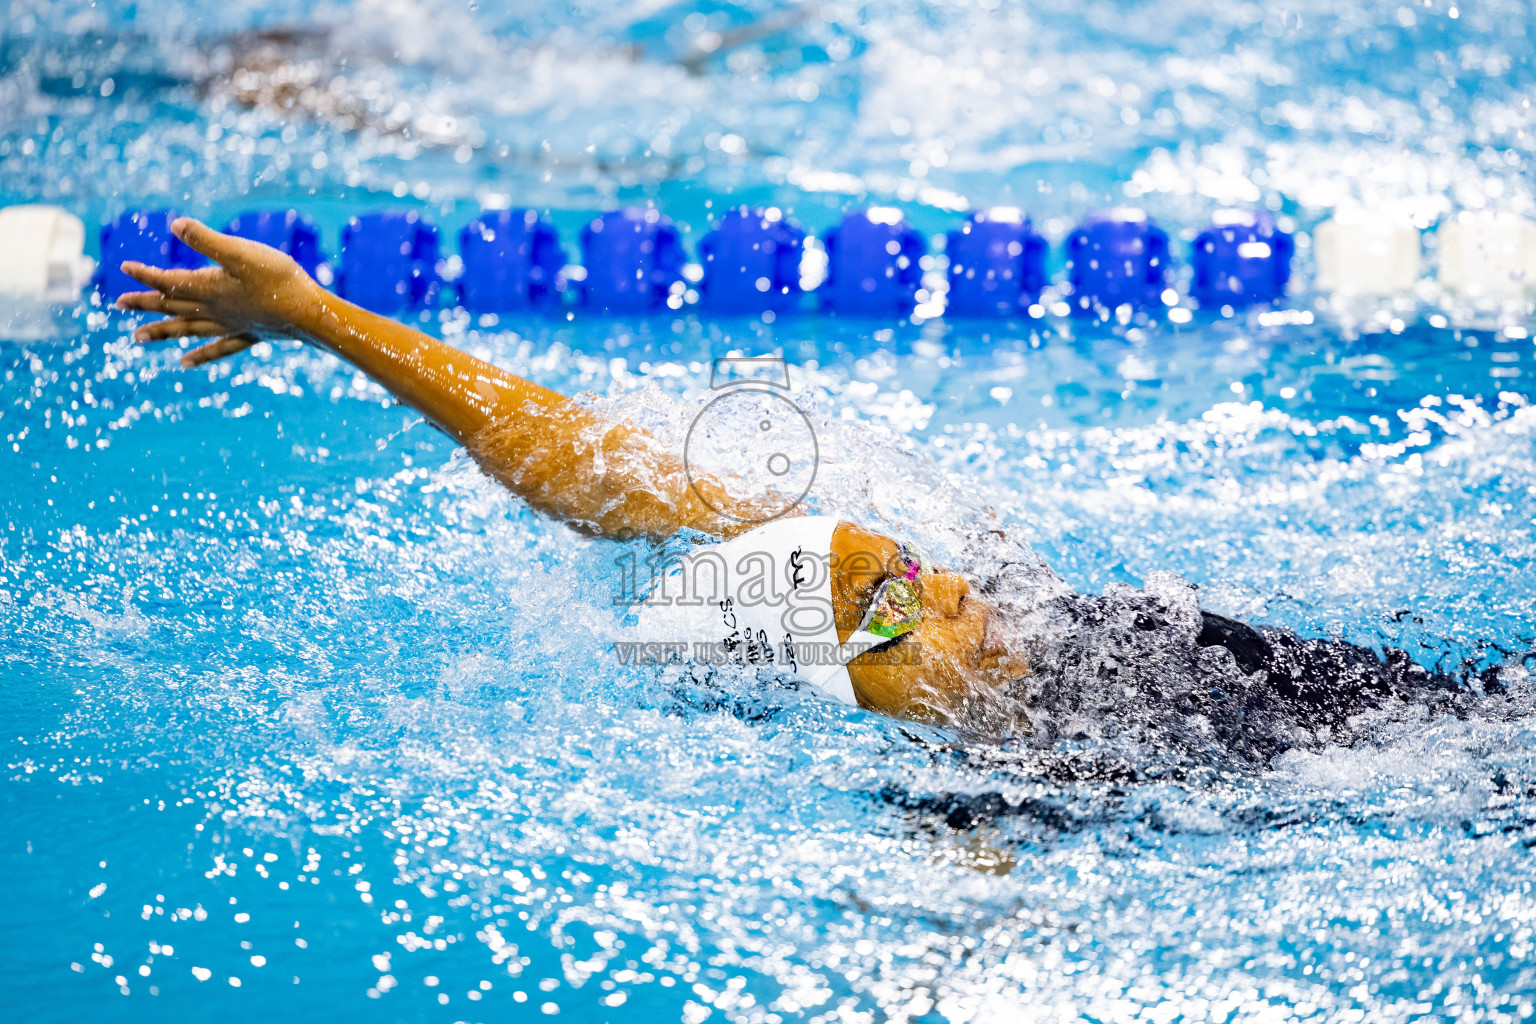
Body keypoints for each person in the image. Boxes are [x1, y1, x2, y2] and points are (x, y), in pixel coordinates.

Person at [116, 219, 1471, 748]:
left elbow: (587, 468)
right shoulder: (986, 790)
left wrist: (322, 315)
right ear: (843, 697)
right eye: (892, 609)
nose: (945, 590)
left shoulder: (1013, 614)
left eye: (908, 564)